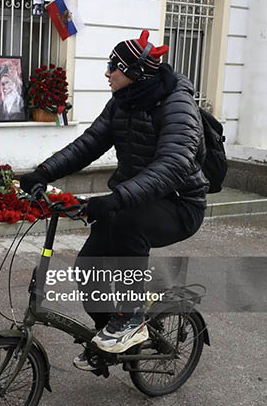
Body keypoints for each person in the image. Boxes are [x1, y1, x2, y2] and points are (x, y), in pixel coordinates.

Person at [20, 29, 208, 371]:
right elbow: (88, 144)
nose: (107, 73)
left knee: (128, 224)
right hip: (132, 199)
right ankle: (106, 338)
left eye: (113, 67)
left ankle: (131, 316)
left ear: (133, 73)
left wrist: (116, 198)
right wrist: (43, 172)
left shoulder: (177, 105)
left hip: (180, 203)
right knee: (88, 267)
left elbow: (173, 164)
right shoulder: (122, 100)